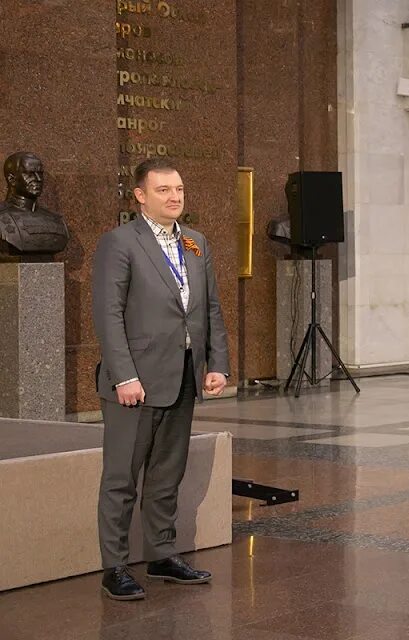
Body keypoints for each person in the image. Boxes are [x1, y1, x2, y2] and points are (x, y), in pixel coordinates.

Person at [92, 158, 230, 600]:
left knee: (166, 475)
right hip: (135, 385)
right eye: (164, 190)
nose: (175, 197)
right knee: (121, 478)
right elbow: (108, 315)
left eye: (179, 190)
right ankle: (114, 566)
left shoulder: (195, 242)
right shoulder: (120, 242)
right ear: (140, 195)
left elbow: (209, 309)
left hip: (184, 377)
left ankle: (161, 554)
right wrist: (124, 375)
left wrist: (216, 363)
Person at [0, 151, 70, 255]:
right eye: (29, 174)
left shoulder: (56, 220)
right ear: (12, 179)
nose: (38, 179)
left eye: (40, 174)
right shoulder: (2, 216)